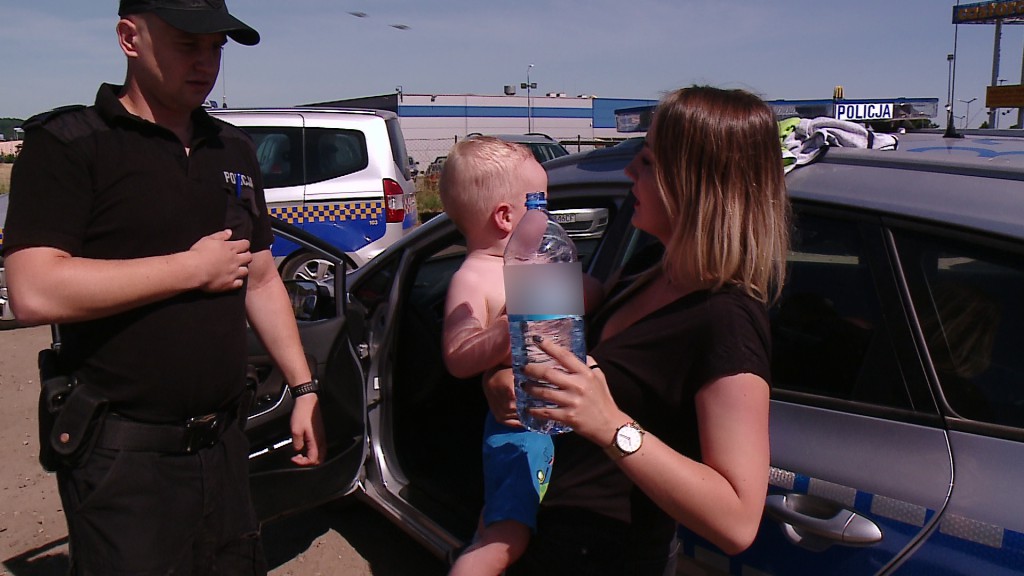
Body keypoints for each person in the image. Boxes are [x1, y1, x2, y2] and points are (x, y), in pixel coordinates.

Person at [2, 1, 325, 574]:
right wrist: (189, 269)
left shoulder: (232, 148)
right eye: (187, 45)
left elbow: (259, 276)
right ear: (130, 38)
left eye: (216, 48)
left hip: (225, 444)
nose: (206, 63)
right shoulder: (71, 143)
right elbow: (34, 290)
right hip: (122, 456)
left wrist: (303, 388)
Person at [484, 86, 791, 575]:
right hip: (548, 528)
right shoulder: (650, 266)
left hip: (607, 557)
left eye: (646, 161)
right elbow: (564, 363)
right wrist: (507, 382)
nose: (629, 171)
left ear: (695, 183)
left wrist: (610, 425)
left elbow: (737, 522)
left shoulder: (727, 319)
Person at [439, 136, 554, 575]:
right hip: (517, 431)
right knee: (506, 536)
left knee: (518, 522)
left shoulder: (533, 263)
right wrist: (508, 329)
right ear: (506, 217)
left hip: (548, 418)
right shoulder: (473, 277)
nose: (548, 216)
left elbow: (585, 299)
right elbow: (457, 355)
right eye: (540, 204)